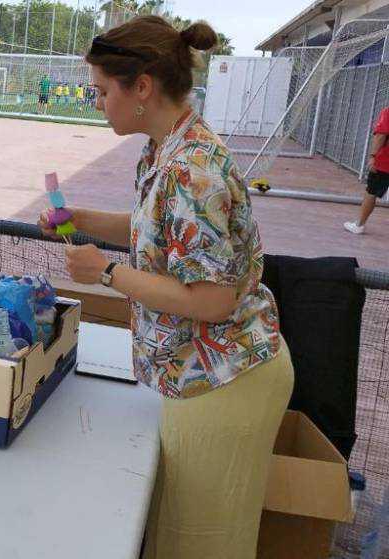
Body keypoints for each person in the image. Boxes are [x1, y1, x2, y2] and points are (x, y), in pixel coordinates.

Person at [39, 17, 294, 559]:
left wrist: (106, 274)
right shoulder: (166, 148)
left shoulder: (190, 170)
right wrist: (80, 216)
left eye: (103, 91)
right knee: (178, 529)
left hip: (224, 379)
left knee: (200, 542)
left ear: (143, 88)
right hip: (202, 373)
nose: (97, 102)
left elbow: (213, 301)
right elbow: (154, 230)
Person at [344, 106, 389, 234]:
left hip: (385, 161)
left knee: (371, 191)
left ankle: (359, 225)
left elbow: (381, 135)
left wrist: (373, 156)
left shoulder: (388, 112)